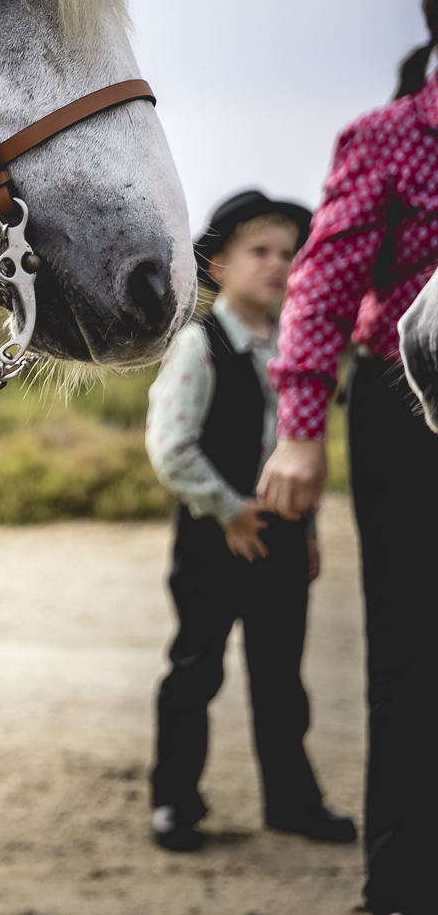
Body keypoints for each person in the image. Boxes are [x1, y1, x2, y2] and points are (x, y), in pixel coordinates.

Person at [265, 0, 438, 915]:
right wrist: (300, 432)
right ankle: (404, 887)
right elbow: (324, 284)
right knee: (415, 653)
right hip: (409, 409)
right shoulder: (391, 138)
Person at [144, 190, 355, 853]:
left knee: (281, 677)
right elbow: (171, 448)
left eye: (289, 253)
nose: (277, 265)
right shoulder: (198, 346)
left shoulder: (298, 351)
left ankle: (292, 800)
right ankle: (176, 802)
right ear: (218, 266)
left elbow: (299, 450)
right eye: (259, 251)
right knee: (196, 667)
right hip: (215, 534)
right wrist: (231, 510)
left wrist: (309, 529)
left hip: (284, 537)